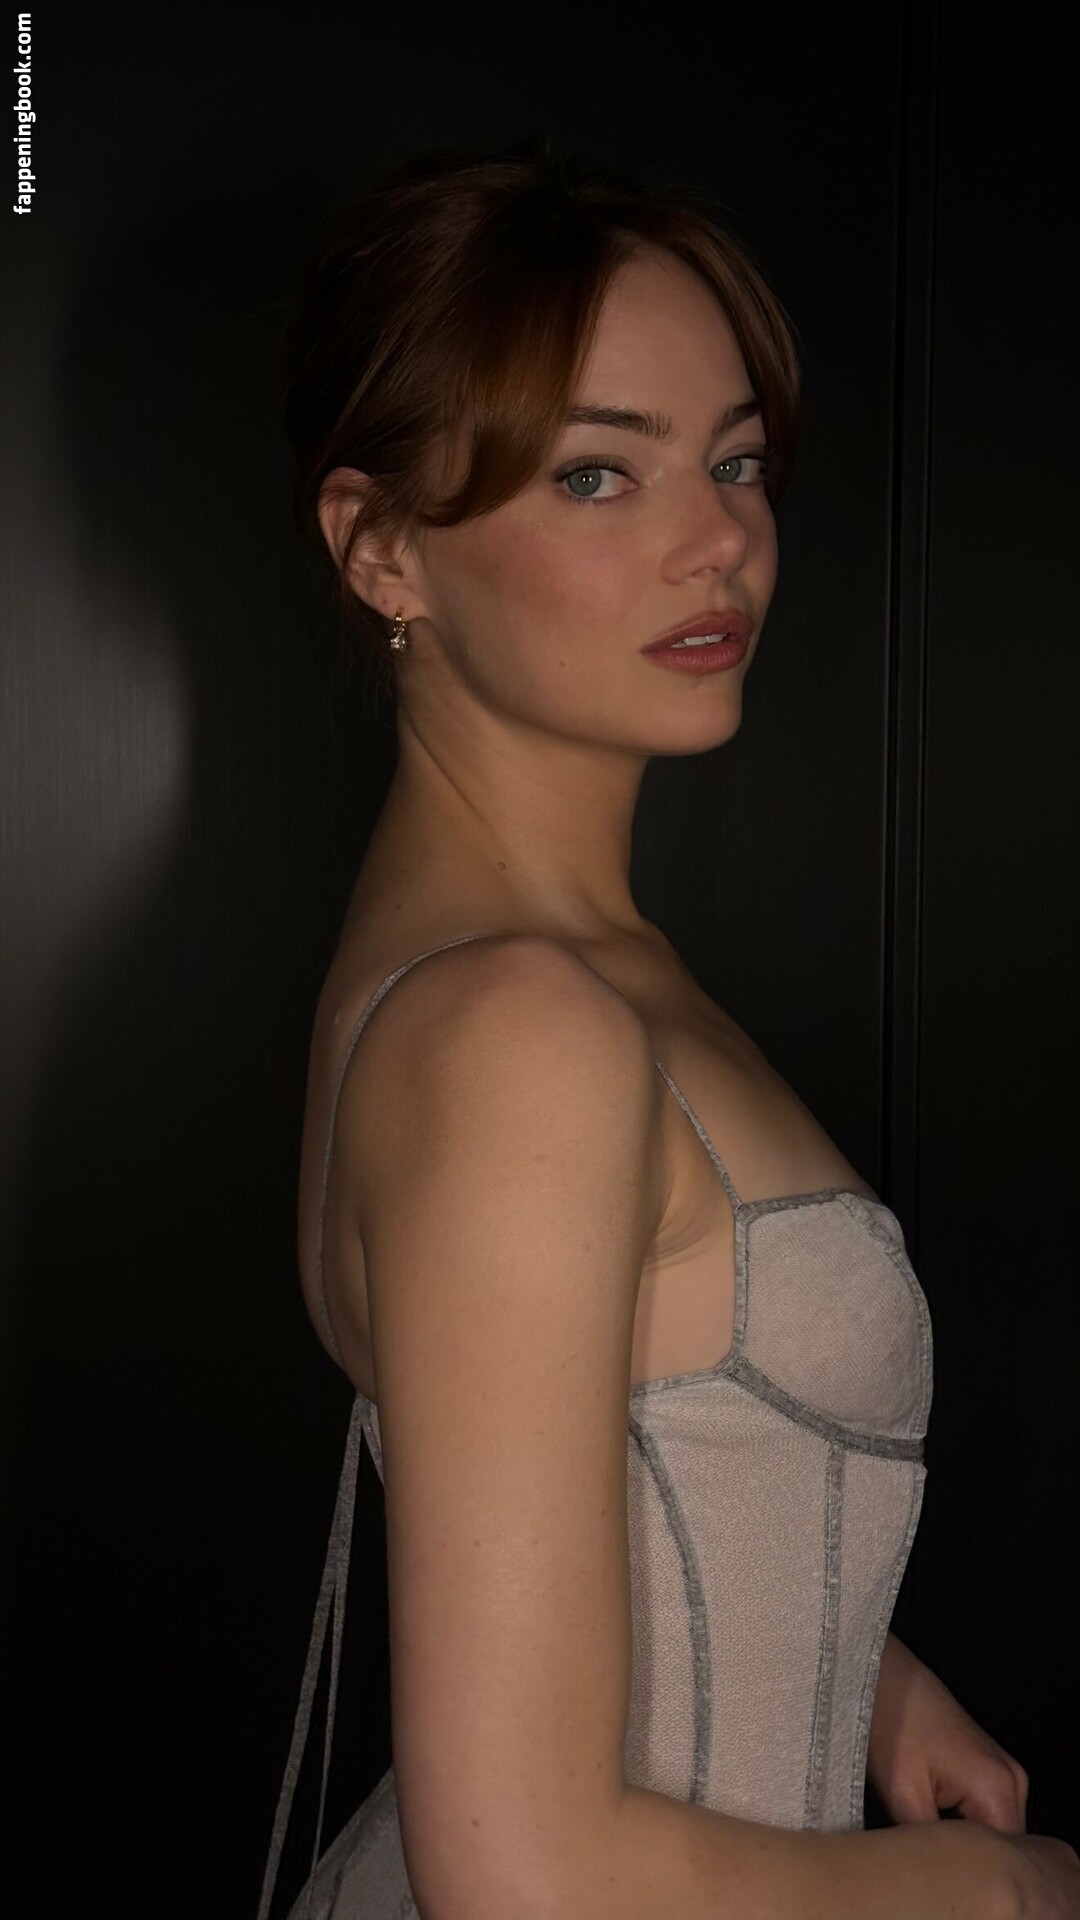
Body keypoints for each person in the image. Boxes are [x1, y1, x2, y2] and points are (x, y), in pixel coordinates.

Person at [256, 142, 1078, 1920]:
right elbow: (528, 1878)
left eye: (738, 461)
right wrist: (1001, 1900)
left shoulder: (485, 969)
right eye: (598, 473)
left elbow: (590, 1440)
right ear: (381, 549)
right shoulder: (519, 1028)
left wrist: (863, 1675)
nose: (721, 542)